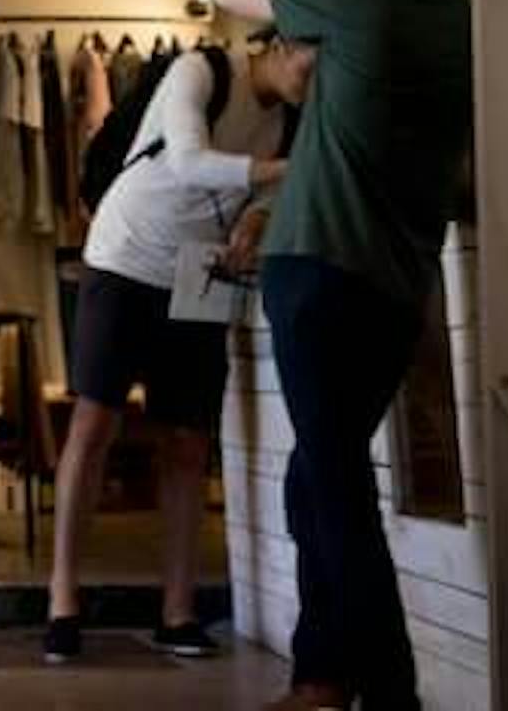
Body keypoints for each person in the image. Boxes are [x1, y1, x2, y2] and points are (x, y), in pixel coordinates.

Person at [213, 0, 473, 711]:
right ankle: (321, 674)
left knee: (336, 487)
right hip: (397, 282)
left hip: (318, 268)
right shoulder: (455, 4)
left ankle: (389, 692)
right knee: (319, 473)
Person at [44, 33, 312, 666]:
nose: (315, 72)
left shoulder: (293, 121)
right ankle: (61, 599)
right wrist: (286, 172)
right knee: (94, 420)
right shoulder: (203, 70)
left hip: (202, 267)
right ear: (278, 43)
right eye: (311, 56)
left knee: (189, 442)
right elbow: (189, 159)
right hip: (126, 254)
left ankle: (178, 610)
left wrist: (258, 216)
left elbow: (265, 199)